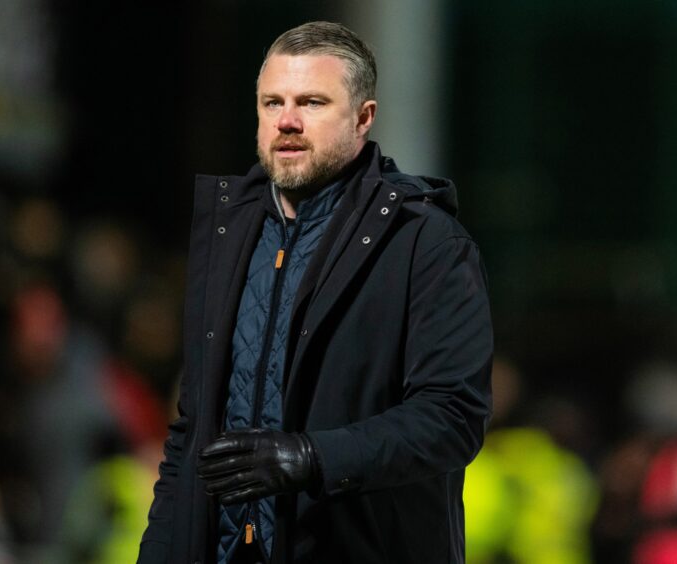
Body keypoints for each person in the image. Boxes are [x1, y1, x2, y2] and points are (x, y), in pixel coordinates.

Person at [139, 21, 493, 564]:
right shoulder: (228, 233)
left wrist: (312, 456)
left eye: (311, 102)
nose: (286, 121)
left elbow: (451, 417)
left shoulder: (426, 241)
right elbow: (192, 433)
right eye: (271, 102)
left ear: (363, 118)